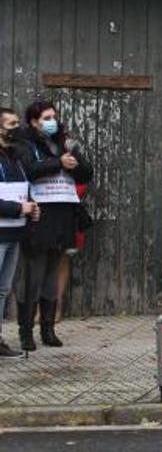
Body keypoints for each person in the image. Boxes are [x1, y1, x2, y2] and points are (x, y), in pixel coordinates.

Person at [14, 101, 93, 351]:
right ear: (35, 122)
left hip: (62, 216)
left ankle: (48, 328)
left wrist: (74, 161)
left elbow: (86, 173)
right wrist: (58, 163)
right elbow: (29, 169)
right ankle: (26, 331)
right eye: (47, 117)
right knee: (33, 277)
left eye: (54, 116)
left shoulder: (63, 142)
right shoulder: (24, 144)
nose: (53, 121)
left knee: (51, 277)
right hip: (39, 217)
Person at [0, 108, 38, 359]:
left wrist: (31, 207)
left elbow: (20, 189)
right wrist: (17, 208)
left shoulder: (14, 157)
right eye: (11, 123)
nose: (16, 127)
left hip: (14, 233)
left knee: (3, 289)